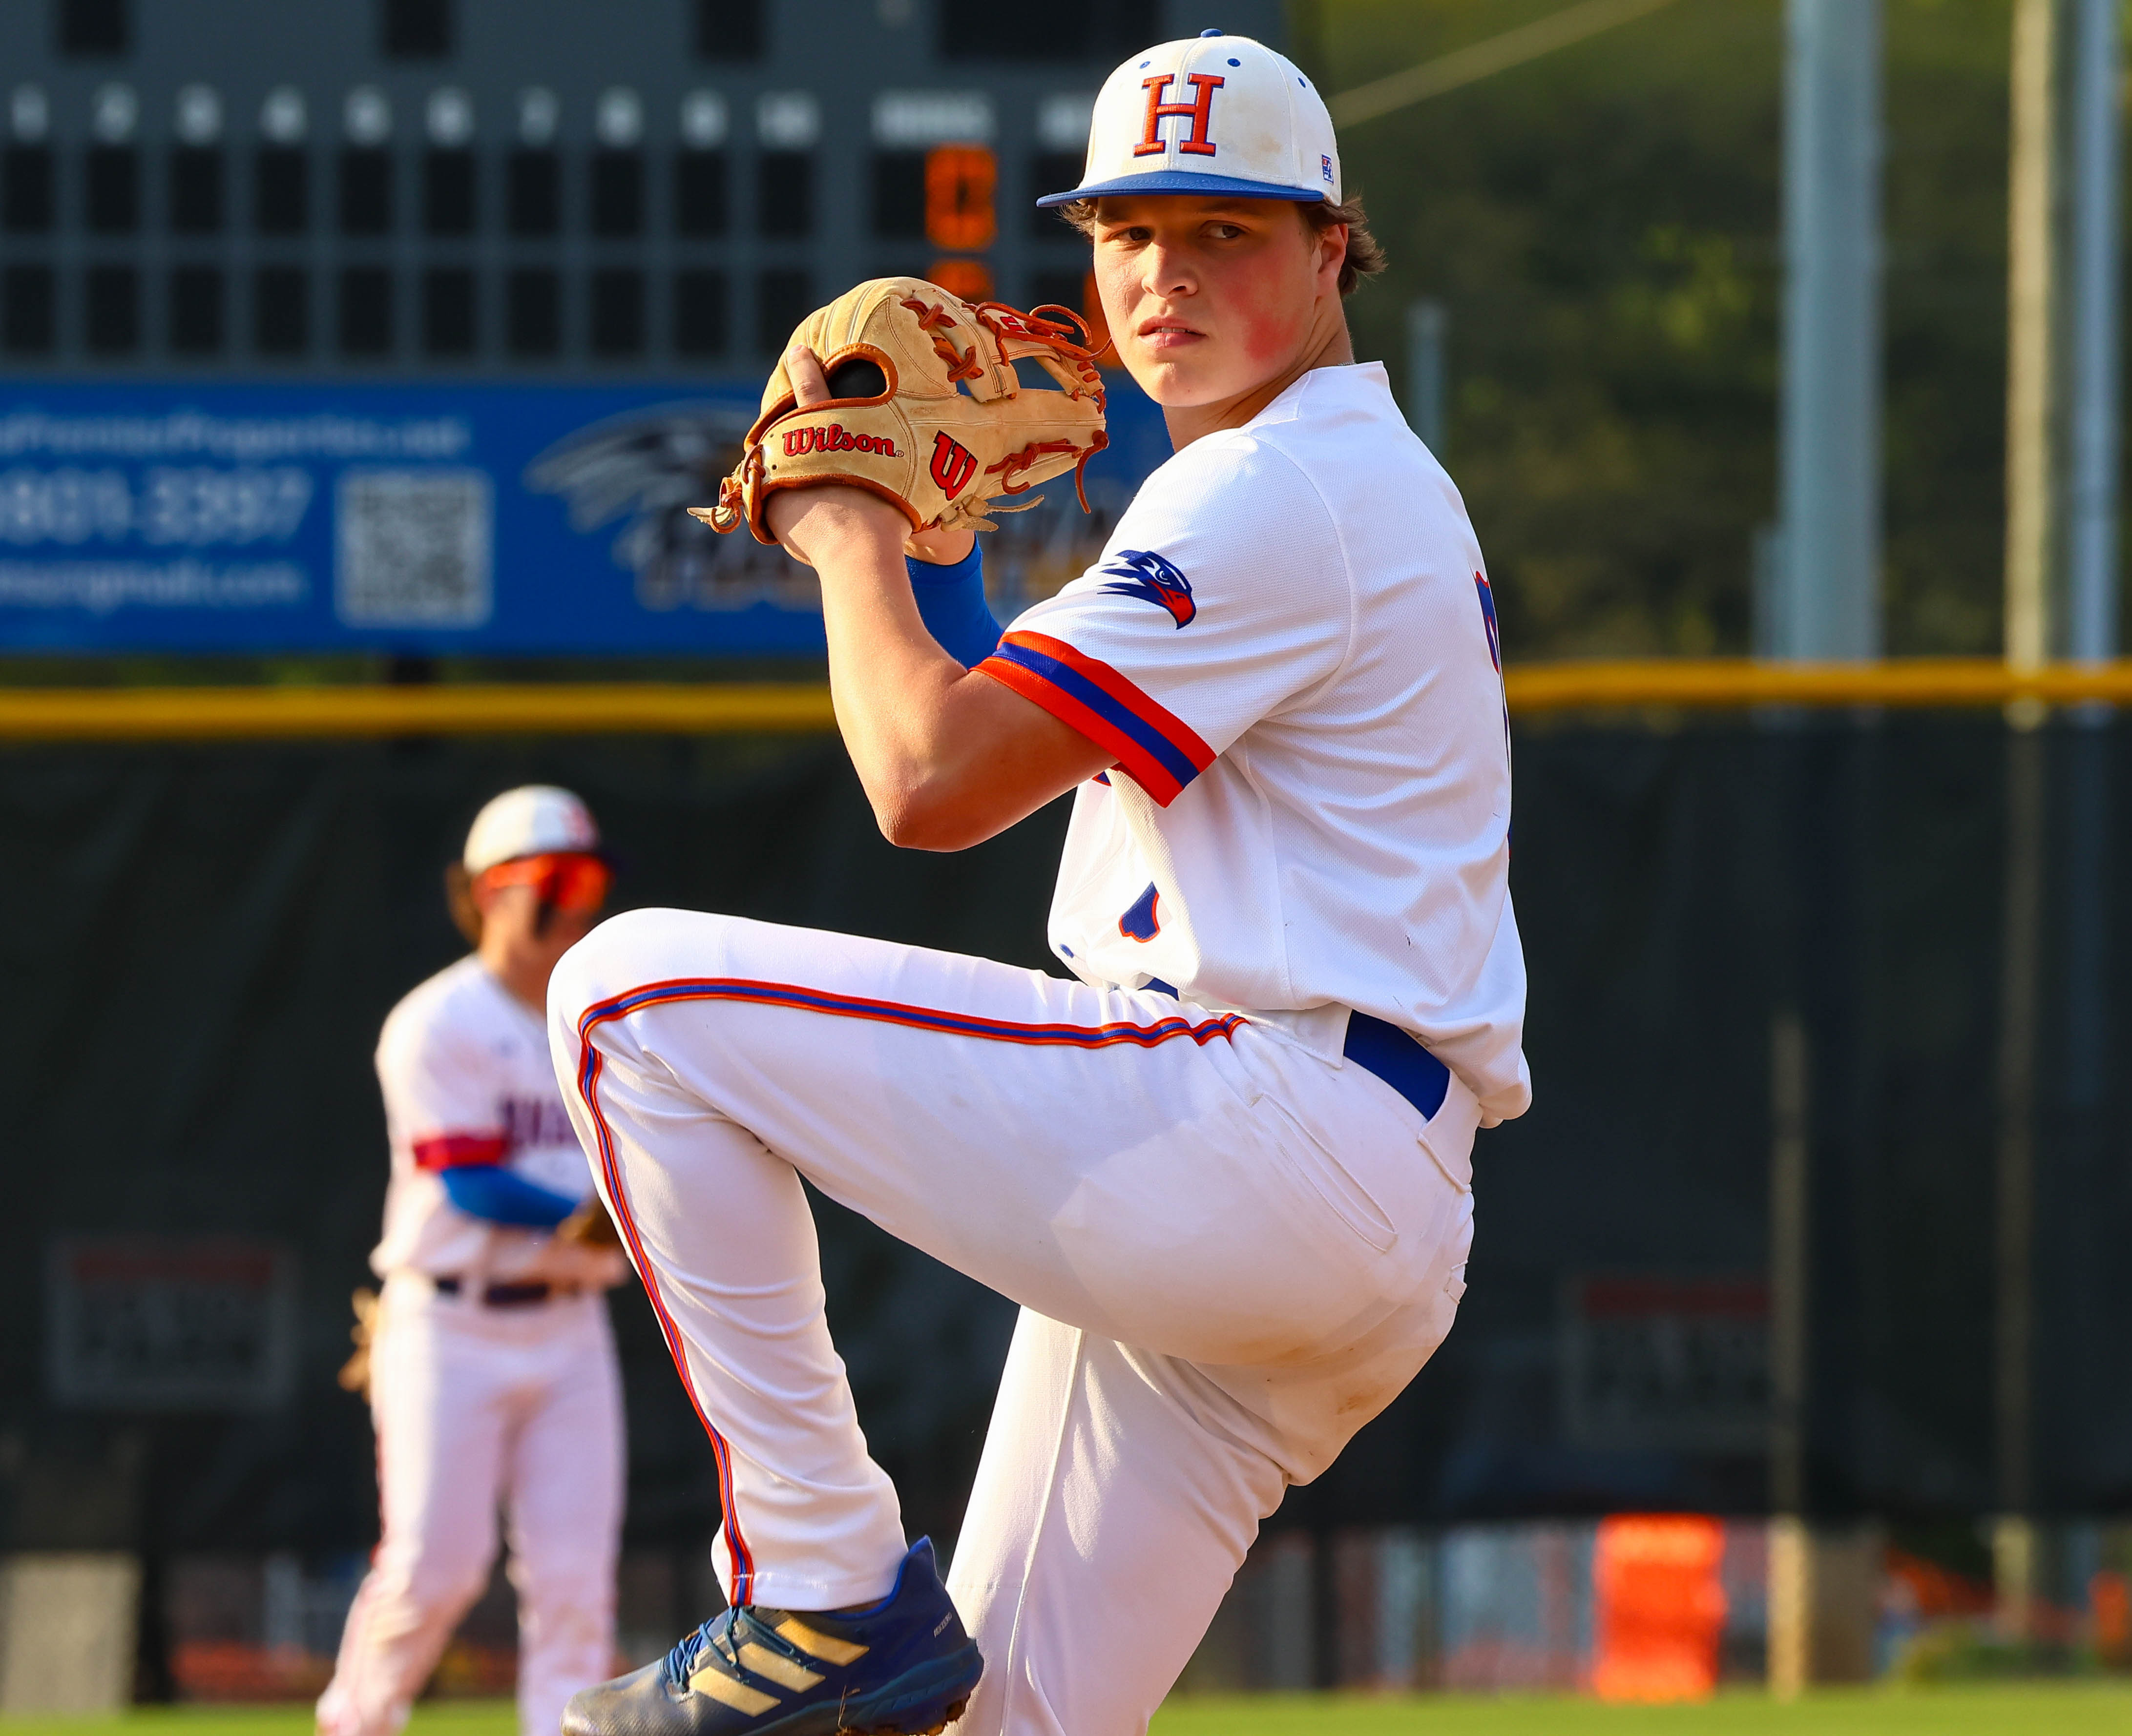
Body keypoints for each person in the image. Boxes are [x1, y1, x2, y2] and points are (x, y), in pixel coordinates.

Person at [550, 28, 1528, 1736]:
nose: (1162, 274)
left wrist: (844, 515)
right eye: (1126, 230)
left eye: (1223, 230)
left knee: (629, 998)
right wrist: (923, 554)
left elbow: (922, 780)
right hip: (1330, 1201)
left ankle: (816, 1582)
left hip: (1272, 1130)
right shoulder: (1314, 480)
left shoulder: (1274, 482)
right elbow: (995, 732)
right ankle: (840, 1613)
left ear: (1328, 247)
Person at [318, 786, 634, 1736]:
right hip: (449, 1321)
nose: (578, 904)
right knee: (432, 1569)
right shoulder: (438, 1019)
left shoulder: (607, 1017)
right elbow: (471, 1183)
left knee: (577, 1579)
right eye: (555, 881)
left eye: (590, 881)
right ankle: (357, 1720)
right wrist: (597, 1210)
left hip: (570, 1326)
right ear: (491, 892)